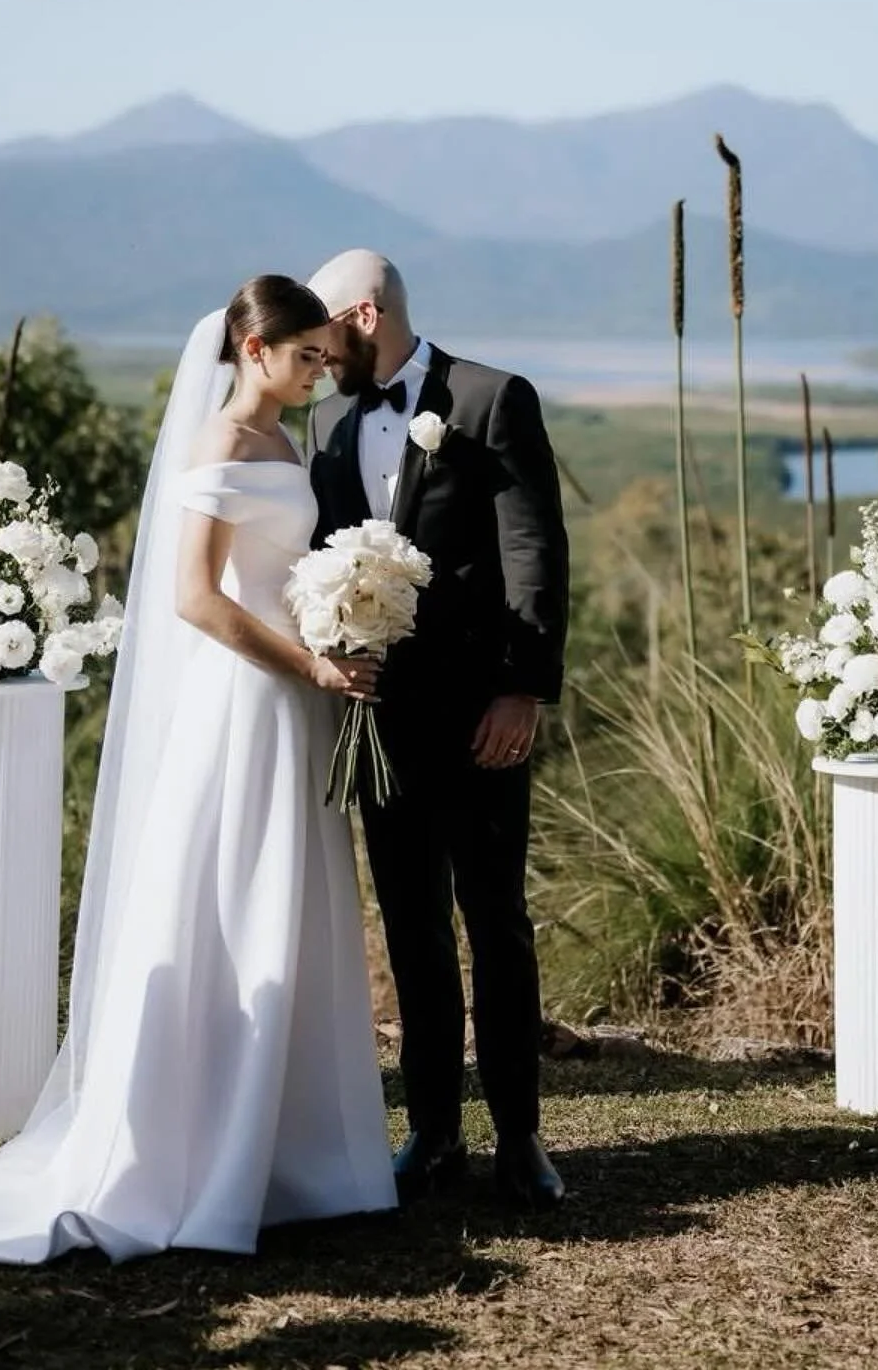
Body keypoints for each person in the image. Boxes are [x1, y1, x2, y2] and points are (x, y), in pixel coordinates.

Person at [0, 275, 397, 1263]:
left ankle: (294, 1155)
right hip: (247, 699)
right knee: (231, 901)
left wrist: (342, 621)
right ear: (252, 352)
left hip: (295, 697)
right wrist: (308, 661)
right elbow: (195, 601)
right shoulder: (219, 448)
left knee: (288, 905)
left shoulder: (286, 444)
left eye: (323, 361)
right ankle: (202, 1149)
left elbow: (277, 575)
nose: (317, 375)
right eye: (304, 359)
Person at [306, 249, 569, 1210]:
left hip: (480, 716)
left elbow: (534, 549)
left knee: (495, 921)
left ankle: (521, 1137)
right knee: (412, 928)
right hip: (381, 722)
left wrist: (523, 689)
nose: (313, 350)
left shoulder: (494, 399)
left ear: (364, 315)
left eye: (323, 330)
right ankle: (431, 1132)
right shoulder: (328, 421)